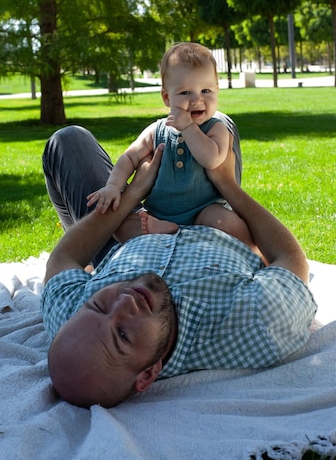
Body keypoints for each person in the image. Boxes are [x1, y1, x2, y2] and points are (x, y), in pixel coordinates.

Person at [41, 123, 317, 409]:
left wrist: (133, 192)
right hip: (215, 226)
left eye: (99, 305)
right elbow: (291, 261)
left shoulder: (72, 324)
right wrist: (228, 185)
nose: (125, 301)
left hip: (130, 234)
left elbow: (63, 259)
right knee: (213, 122)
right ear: (148, 374)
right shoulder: (249, 323)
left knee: (67, 141)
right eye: (123, 334)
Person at [87, 43, 257, 254]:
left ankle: (256, 255)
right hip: (158, 214)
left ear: (217, 90)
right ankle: (165, 231)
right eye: (186, 92)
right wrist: (113, 185)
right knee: (120, 227)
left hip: (203, 211)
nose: (197, 100)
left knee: (227, 222)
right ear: (167, 97)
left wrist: (188, 128)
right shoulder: (157, 129)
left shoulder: (216, 128)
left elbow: (211, 159)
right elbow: (130, 157)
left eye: (206, 90)